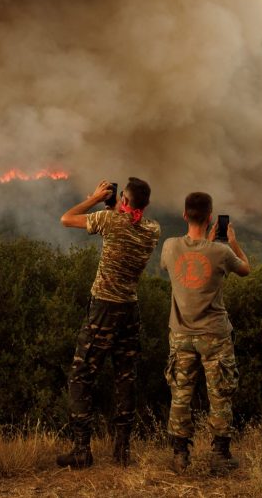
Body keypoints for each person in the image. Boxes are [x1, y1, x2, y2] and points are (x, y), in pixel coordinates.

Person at [56, 177, 161, 468]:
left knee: (80, 377)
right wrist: (117, 204)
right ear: (146, 205)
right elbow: (131, 218)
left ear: (124, 202)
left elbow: (66, 219)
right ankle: (121, 452)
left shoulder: (109, 221)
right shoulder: (153, 230)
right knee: (125, 379)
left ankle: (81, 451)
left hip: (103, 307)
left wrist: (94, 197)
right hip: (130, 309)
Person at [160, 192, 250, 473]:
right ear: (211, 217)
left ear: (185, 215)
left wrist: (206, 245)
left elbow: (182, 266)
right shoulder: (222, 252)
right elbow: (245, 270)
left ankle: (179, 455)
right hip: (214, 335)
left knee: (180, 394)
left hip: (181, 334)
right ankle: (220, 456)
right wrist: (232, 243)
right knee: (220, 394)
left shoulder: (170, 247)